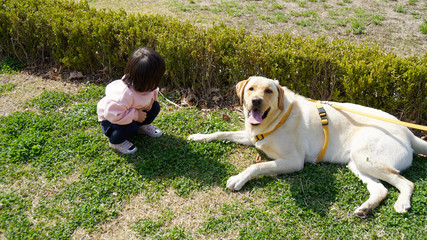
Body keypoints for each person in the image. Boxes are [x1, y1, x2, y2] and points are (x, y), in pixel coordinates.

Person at [97, 47, 165, 154]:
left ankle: (141, 127)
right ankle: (115, 142)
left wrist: (151, 101)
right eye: (153, 82)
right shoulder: (124, 94)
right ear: (141, 80)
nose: (155, 85)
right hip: (112, 120)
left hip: (131, 112)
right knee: (130, 127)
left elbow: (153, 91)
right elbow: (112, 115)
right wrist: (135, 115)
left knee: (155, 106)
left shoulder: (147, 86)